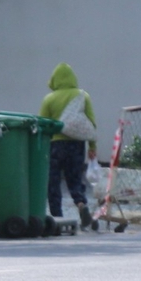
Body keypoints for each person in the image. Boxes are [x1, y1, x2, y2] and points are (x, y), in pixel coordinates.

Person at [38, 63, 98, 229]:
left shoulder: (49, 99)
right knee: (75, 179)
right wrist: (92, 147)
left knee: (53, 181)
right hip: (77, 145)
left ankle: (57, 216)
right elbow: (91, 123)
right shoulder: (83, 96)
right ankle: (81, 204)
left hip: (55, 145)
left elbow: (42, 125)